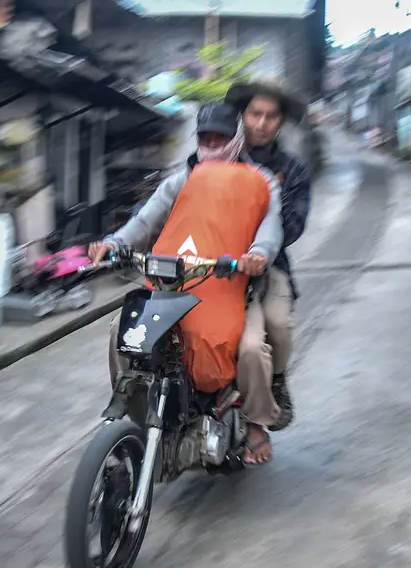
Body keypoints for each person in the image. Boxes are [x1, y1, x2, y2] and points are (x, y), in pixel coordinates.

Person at [87, 103, 284, 465]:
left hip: (233, 287)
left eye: (220, 138)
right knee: (122, 333)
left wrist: (257, 253)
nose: (211, 144)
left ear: (236, 140)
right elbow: (145, 220)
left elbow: (272, 225)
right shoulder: (182, 179)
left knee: (253, 349)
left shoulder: (261, 181)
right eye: (205, 138)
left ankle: (256, 423)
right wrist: (114, 243)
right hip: (176, 285)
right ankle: (141, 415)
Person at [224, 81, 314, 432]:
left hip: (269, 267)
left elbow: (292, 225)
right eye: (254, 114)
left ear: (281, 122)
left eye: (270, 117)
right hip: (212, 264)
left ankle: (276, 381)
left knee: (277, 326)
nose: (261, 124)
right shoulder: (220, 157)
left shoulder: (293, 170)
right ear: (242, 116)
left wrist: (258, 246)